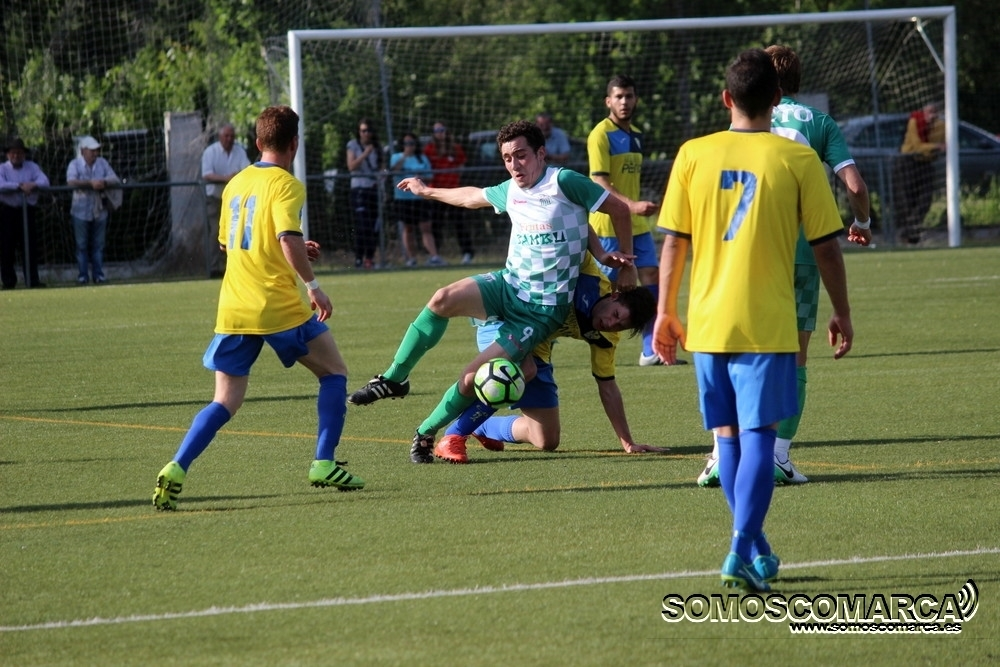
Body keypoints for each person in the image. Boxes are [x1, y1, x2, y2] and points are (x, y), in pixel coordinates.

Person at [653, 49, 853, 591]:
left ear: (726, 98)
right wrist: (841, 310)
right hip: (769, 323)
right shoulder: (797, 159)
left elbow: (674, 242)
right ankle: (741, 547)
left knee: (728, 443)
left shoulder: (693, 153)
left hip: (708, 323)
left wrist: (664, 311)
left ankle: (755, 546)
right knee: (760, 441)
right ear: (777, 100)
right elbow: (827, 247)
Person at [347, 120, 637, 466]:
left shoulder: (564, 181)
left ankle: (426, 432)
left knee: (472, 378)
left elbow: (618, 209)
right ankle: (394, 379)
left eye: (521, 155)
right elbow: (471, 197)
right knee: (441, 299)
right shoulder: (512, 190)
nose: (515, 165)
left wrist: (625, 262)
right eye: (507, 158)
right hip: (507, 284)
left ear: (541, 153)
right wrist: (427, 191)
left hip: (539, 312)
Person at [152, 105, 365, 511]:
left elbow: (229, 244)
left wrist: (294, 247)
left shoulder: (235, 183)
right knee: (334, 372)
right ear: (294, 143)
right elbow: (285, 237)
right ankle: (323, 463)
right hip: (277, 306)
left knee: (224, 401)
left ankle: (177, 466)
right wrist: (313, 285)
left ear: (257, 142)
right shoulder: (287, 184)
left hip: (234, 307)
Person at [697, 44, 872, 488]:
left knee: (730, 347)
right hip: (801, 250)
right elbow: (854, 184)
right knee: (794, 357)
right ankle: (777, 455)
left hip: (744, 247)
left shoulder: (744, 116)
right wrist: (862, 223)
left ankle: (720, 455)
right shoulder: (820, 123)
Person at [430, 257, 667, 463]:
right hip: (506, 318)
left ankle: (482, 425)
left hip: (536, 345)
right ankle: (454, 435)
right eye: (616, 315)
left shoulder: (606, 338)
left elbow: (608, 387)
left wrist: (627, 441)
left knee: (546, 439)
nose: (611, 323)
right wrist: (622, 262)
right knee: (525, 370)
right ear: (614, 296)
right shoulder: (590, 276)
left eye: (620, 325)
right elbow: (577, 233)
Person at [587, 74, 674, 367]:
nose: (624, 102)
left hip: (637, 226)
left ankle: (651, 350)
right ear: (608, 101)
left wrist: (638, 208)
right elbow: (599, 182)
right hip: (607, 225)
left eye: (629, 96)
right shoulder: (600, 134)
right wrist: (632, 205)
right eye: (619, 96)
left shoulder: (636, 135)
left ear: (636, 99)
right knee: (601, 289)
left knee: (651, 281)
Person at [66, 136, 120, 285]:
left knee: (98, 245)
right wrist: (90, 183)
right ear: (83, 150)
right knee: (81, 245)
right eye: (92, 150)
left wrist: (103, 182)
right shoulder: (74, 164)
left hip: (100, 211)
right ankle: (82, 276)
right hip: (80, 211)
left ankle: (99, 276)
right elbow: (71, 181)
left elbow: (114, 178)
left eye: (96, 150)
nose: (95, 153)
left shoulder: (102, 163)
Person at [201, 122, 251, 276]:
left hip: (234, 200)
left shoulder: (239, 151)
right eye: (226, 136)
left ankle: (232, 266)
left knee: (236, 230)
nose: (229, 139)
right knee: (216, 231)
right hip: (215, 198)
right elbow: (207, 174)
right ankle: (214, 268)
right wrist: (227, 178)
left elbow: (247, 169)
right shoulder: (210, 152)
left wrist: (235, 178)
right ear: (220, 136)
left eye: (232, 136)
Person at [0, 138, 50, 289]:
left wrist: (32, 184)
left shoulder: (32, 167)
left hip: (27, 211)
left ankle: (32, 280)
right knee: (6, 247)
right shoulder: (2, 169)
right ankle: (9, 282)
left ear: (24, 154)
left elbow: (45, 182)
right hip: (7, 211)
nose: (16, 155)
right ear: (8, 154)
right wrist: (19, 186)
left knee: (29, 246)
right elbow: (1, 185)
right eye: (13, 153)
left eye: (19, 153)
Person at [894, 102, 945, 244]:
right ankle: (907, 235)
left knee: (925, 200)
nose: (931, 116)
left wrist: (935, 148)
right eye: (929, 112)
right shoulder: (914, 121)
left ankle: (912, 230)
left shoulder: (941, 126)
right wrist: (935, 147)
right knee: (906, 201)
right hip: (908, 162)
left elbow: (944, 143)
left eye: (934, 112)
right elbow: (917, 146)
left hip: (926, 164)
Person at [391, 132, 444, 266]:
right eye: (407, 143)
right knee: (408, 228)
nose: (409, 146)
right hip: (403, 199)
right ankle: (412, 259)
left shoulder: (422, 158)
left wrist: (418, 179)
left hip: (420, 198)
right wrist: (404, 156)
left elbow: (430, 176)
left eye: (412, 143)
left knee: (426, 227)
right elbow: (393, 171)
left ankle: (434, 257)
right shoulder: (396, 157)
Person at [423, 121, 473, 264]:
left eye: (442, 130)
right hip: (437, 193)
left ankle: (467, 253)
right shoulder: (429, 149)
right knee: (436, 225)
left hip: (454, 192)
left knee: (459, 223)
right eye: (437, 130)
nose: (440, 133)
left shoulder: (455, 148)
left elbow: (461, 165)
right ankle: (435, 256)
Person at [346, 118, 382, 269]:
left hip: (373, 189)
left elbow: (381, 167)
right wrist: (365, 154)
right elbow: (351, 166)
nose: (366, 133)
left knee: (374, 227)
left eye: (368, 130)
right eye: (363, 131)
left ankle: (370, 258)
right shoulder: (353, 145)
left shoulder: (377, 147)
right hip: (359, 190)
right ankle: (359, 258)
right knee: (362, 225)